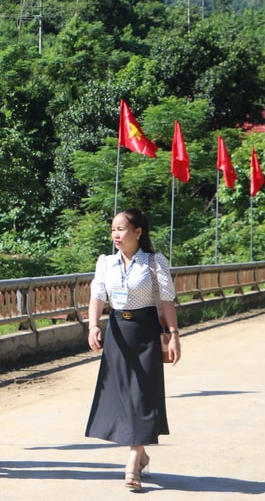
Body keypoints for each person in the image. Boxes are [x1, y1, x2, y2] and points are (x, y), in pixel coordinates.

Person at [85, 208, 182, 492]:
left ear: (138, 232)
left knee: (142, 397)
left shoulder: (153, 262)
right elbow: (97, 294)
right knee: (124, 397)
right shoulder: (105, 262)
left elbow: (166, 301)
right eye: (113, 229)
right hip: (117, 333)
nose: (116, 234)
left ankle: (131, 464)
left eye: (121, 229)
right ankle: (141, 454)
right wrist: (93, 326)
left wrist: (174, 335)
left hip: (146, 333)